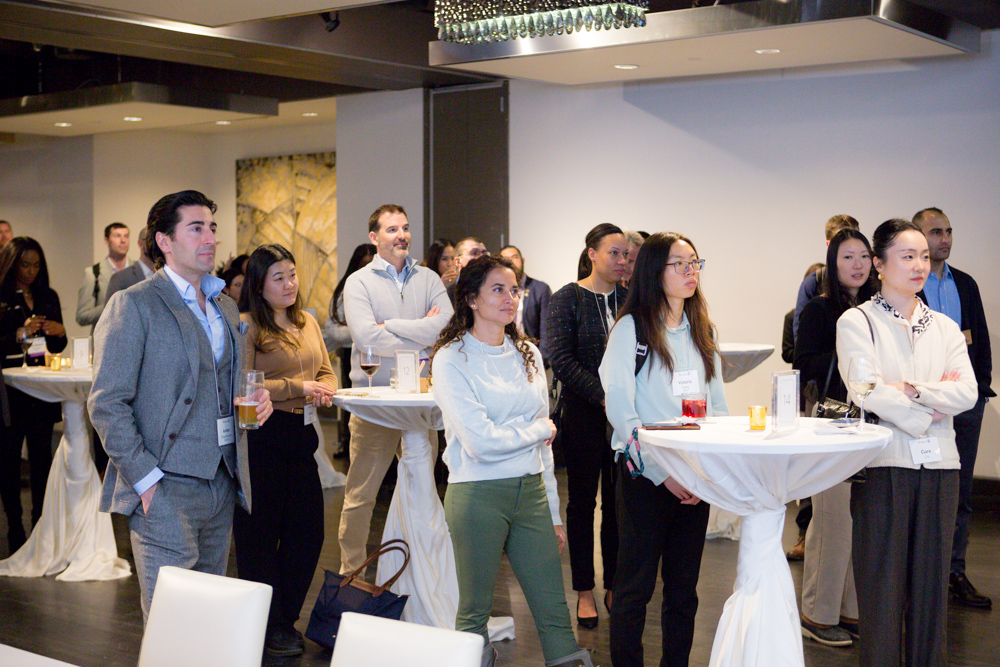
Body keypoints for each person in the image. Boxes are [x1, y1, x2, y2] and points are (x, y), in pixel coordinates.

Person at [88, 190, 273, 620]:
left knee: (206, 618)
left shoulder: (226, 306)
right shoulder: (134, 304)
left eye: (212, 228)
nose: (209, 238)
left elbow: (224, 385)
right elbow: (107, 403)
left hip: (221, 482)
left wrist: (255, 403)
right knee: (170, 622)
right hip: (165, 485)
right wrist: (146, 480)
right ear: (164, 241)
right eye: (196, 228)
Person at [432, 254, 594, 667]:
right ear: (471, 299)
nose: (511, 298)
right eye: (498, 289)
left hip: (532, 492)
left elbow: (543, 448)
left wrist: (553, 512)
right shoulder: (451, 358)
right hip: (477, 495)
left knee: (554, 611)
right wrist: (536, 430)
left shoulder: (528, 353)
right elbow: (481, 443)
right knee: (474, 613)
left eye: (515, 289)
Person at [837, 218, 977, 667]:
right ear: (879, 264)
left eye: (924, 256)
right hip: (884, 465)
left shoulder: (946, 327)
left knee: (931, 593)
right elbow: (866, 390)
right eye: (907, 256)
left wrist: (911, 390)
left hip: (941, 466)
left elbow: (967, 392)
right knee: (881, 592)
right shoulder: (858, 321)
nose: (920, 265)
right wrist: (929, 408)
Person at [600, 231, 725, 667]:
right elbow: (621, 410)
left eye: (695, 262)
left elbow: (717, 407)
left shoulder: (703, 330)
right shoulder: (631, 330)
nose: (691, 271)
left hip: (694, 476)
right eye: (680, 263)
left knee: (684, 592)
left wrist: (705, 473)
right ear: (655, 271)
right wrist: (663, 473)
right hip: (646, 477)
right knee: (634, 589)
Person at [338, 204, 453, 574]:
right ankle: (351, 574)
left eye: (405, 228)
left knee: (423, 491)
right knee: (362, 495)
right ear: (374, 238)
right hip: (375, 402)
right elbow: (366, 338)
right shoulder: (359, 282)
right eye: (392, 229)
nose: (401, 235)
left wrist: (393, 326)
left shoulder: (429, 279)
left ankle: (423, 574)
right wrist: (422, 331)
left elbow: (446, 327)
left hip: (420, 400)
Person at [234, 244, 337, 656]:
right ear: (259, 285)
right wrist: (298, 387)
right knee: (261, 537)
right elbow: (244, 382)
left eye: (292, 274)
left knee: (308, 534)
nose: (289, 284)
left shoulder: (305, 321)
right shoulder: (247, 326)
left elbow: (325, 369)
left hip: (301, 433)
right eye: (278, 278)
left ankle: (285, 619)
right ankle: (266, 625)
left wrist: (324, 387)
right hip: (262, 433)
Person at [793, 228, 877, 647]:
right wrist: (854, 355)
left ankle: (850, 610)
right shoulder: (820, 310)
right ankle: (817, 613)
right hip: (832, 421)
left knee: (861, 525)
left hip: (874, 423)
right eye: (847, 257)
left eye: (863, 256)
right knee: (832, 523)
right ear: (833, 263)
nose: (857, 265)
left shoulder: (880, 307)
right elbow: (805, 364)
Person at [544, 223, 627, 628]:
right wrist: (602, 395)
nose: (622, 260)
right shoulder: (568, 298)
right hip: (584, 414)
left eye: (626, 254)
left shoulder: (631, 299)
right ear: (592, 253)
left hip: (624, 418)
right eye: (614, 253)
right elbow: (561, 359)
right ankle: (583, 589)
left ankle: (613, 583)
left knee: (618, 504)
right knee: (581, 504)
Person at [912, 207, 994, 610]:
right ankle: (920, 574)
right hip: (926, 405)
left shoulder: (965, 283)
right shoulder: (910, 284)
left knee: (961, 491)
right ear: (918, 237)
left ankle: (954, 571)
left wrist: (981, 388)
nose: (944, 239)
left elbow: (980, 338)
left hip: (966, 402)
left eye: (947, 231)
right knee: (924, 488)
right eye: (935, 232)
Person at [0, 237, 67, 553]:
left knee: (42, 461)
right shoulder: (2, 296)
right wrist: (20, 333)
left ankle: (41, 525)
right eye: (25, 265)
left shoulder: (47, 295)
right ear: (12, 264)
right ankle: (15, 529)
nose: (31, 271)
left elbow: (56, 346)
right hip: (9, 393)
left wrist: (59, 332)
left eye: (36, 265)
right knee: (9, 462)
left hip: (40, 390)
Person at [322, 242, 376, 458]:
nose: (367, 270)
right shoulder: (347, 289)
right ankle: (348, 443)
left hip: (377, 350)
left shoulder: (382, 287)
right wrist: (362, 330)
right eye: (363, 265)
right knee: (352, 399)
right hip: (349, 352)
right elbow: (332, 328)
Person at [792, 214, 860, 340]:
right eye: (842, 240)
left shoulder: (871, 279)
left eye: (856, 238)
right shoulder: (814, 282)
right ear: (829, 245)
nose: (851, 245)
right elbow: (801, 336)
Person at [76, 222, 131, 332]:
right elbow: (82, 316)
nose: (123, 240)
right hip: (106, 337)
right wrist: (110, 306)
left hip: (136, 337)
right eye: (117, 236)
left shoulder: (138, 270)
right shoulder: (93, 273)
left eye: (126, 236)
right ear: (106, 241)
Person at [500, 244, 552, 344]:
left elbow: (546, 330)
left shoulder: (540, 289)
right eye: (506, 259)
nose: (511, 262)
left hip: (531, 348)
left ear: (522, 260)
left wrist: (540, 354)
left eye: (515, 257)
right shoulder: (496, 291)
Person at [107, 227, 156, 300]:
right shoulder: (120, 278)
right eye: (151, 240)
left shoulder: (165, 275)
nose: (156, 245)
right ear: (140, 243)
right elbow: (112, 306)